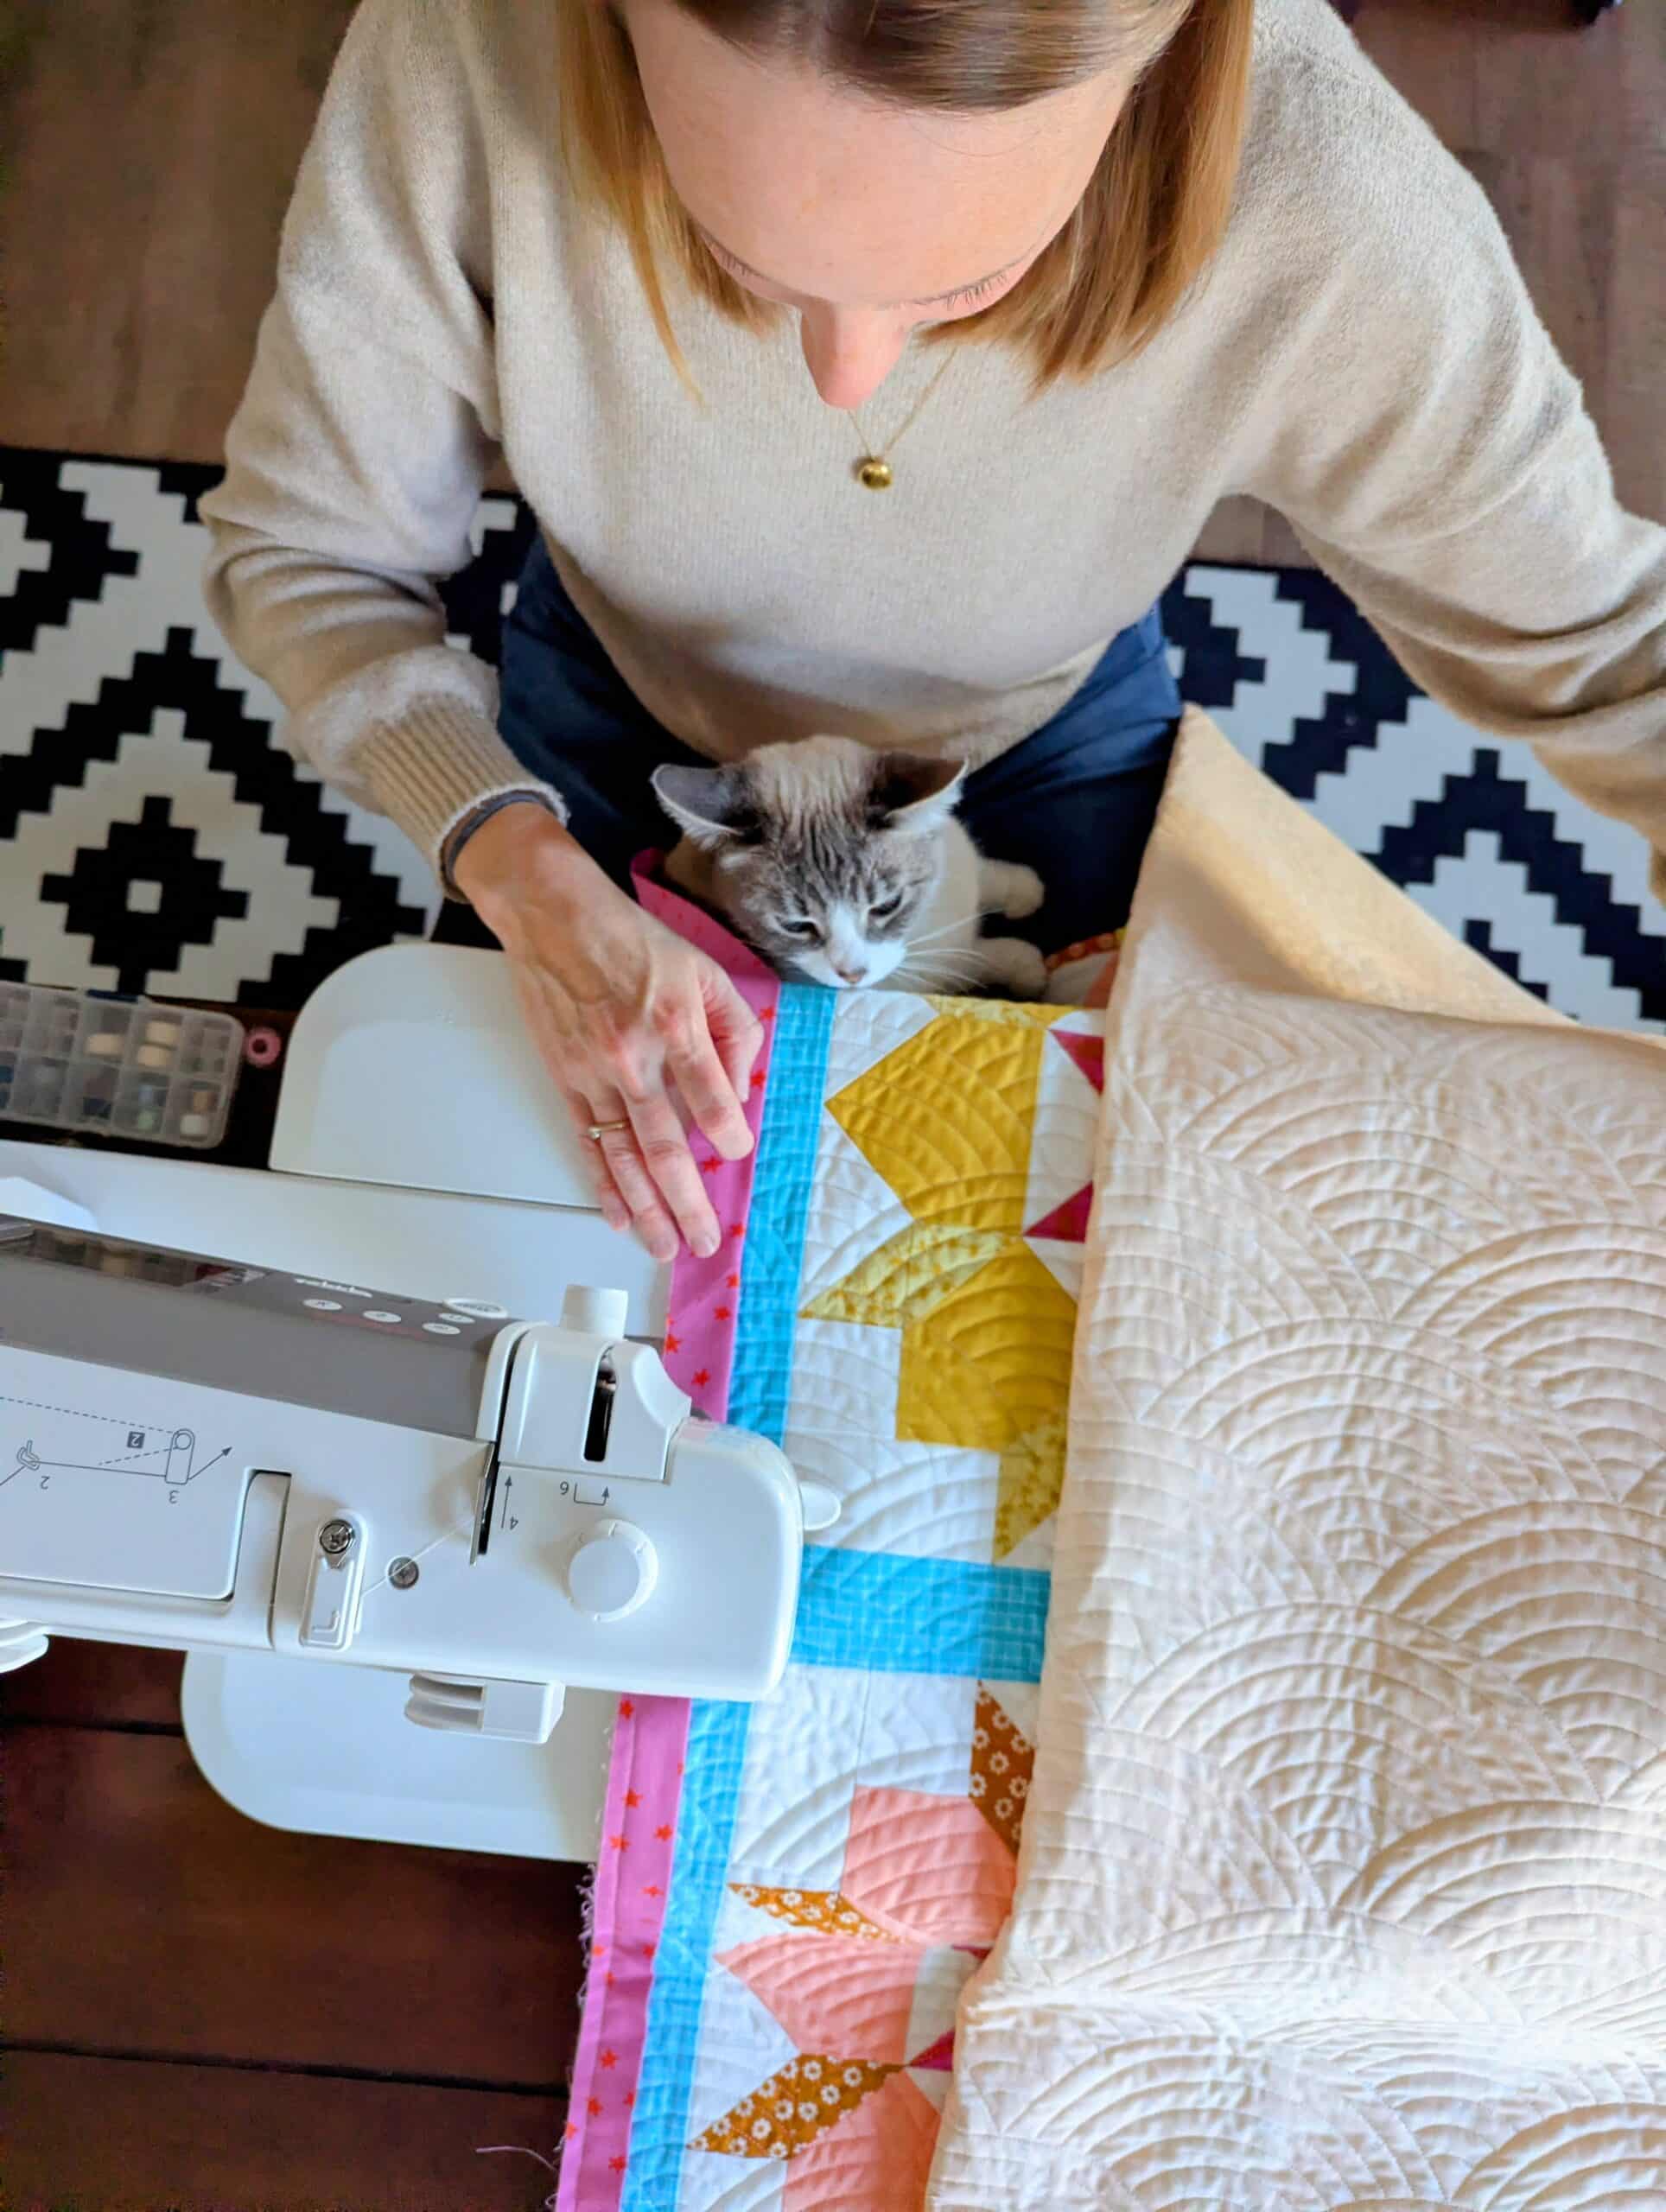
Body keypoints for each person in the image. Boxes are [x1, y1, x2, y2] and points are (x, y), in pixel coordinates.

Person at [202, 0, 1666, 1263]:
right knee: (519, 1236)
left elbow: (1617, 660)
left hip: (1029, 730)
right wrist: (515, 867)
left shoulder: (1330, 209)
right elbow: (307, 553)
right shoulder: (468, 51)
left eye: (972, 284)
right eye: (741, 266)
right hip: (614, 705)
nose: (846, 383)